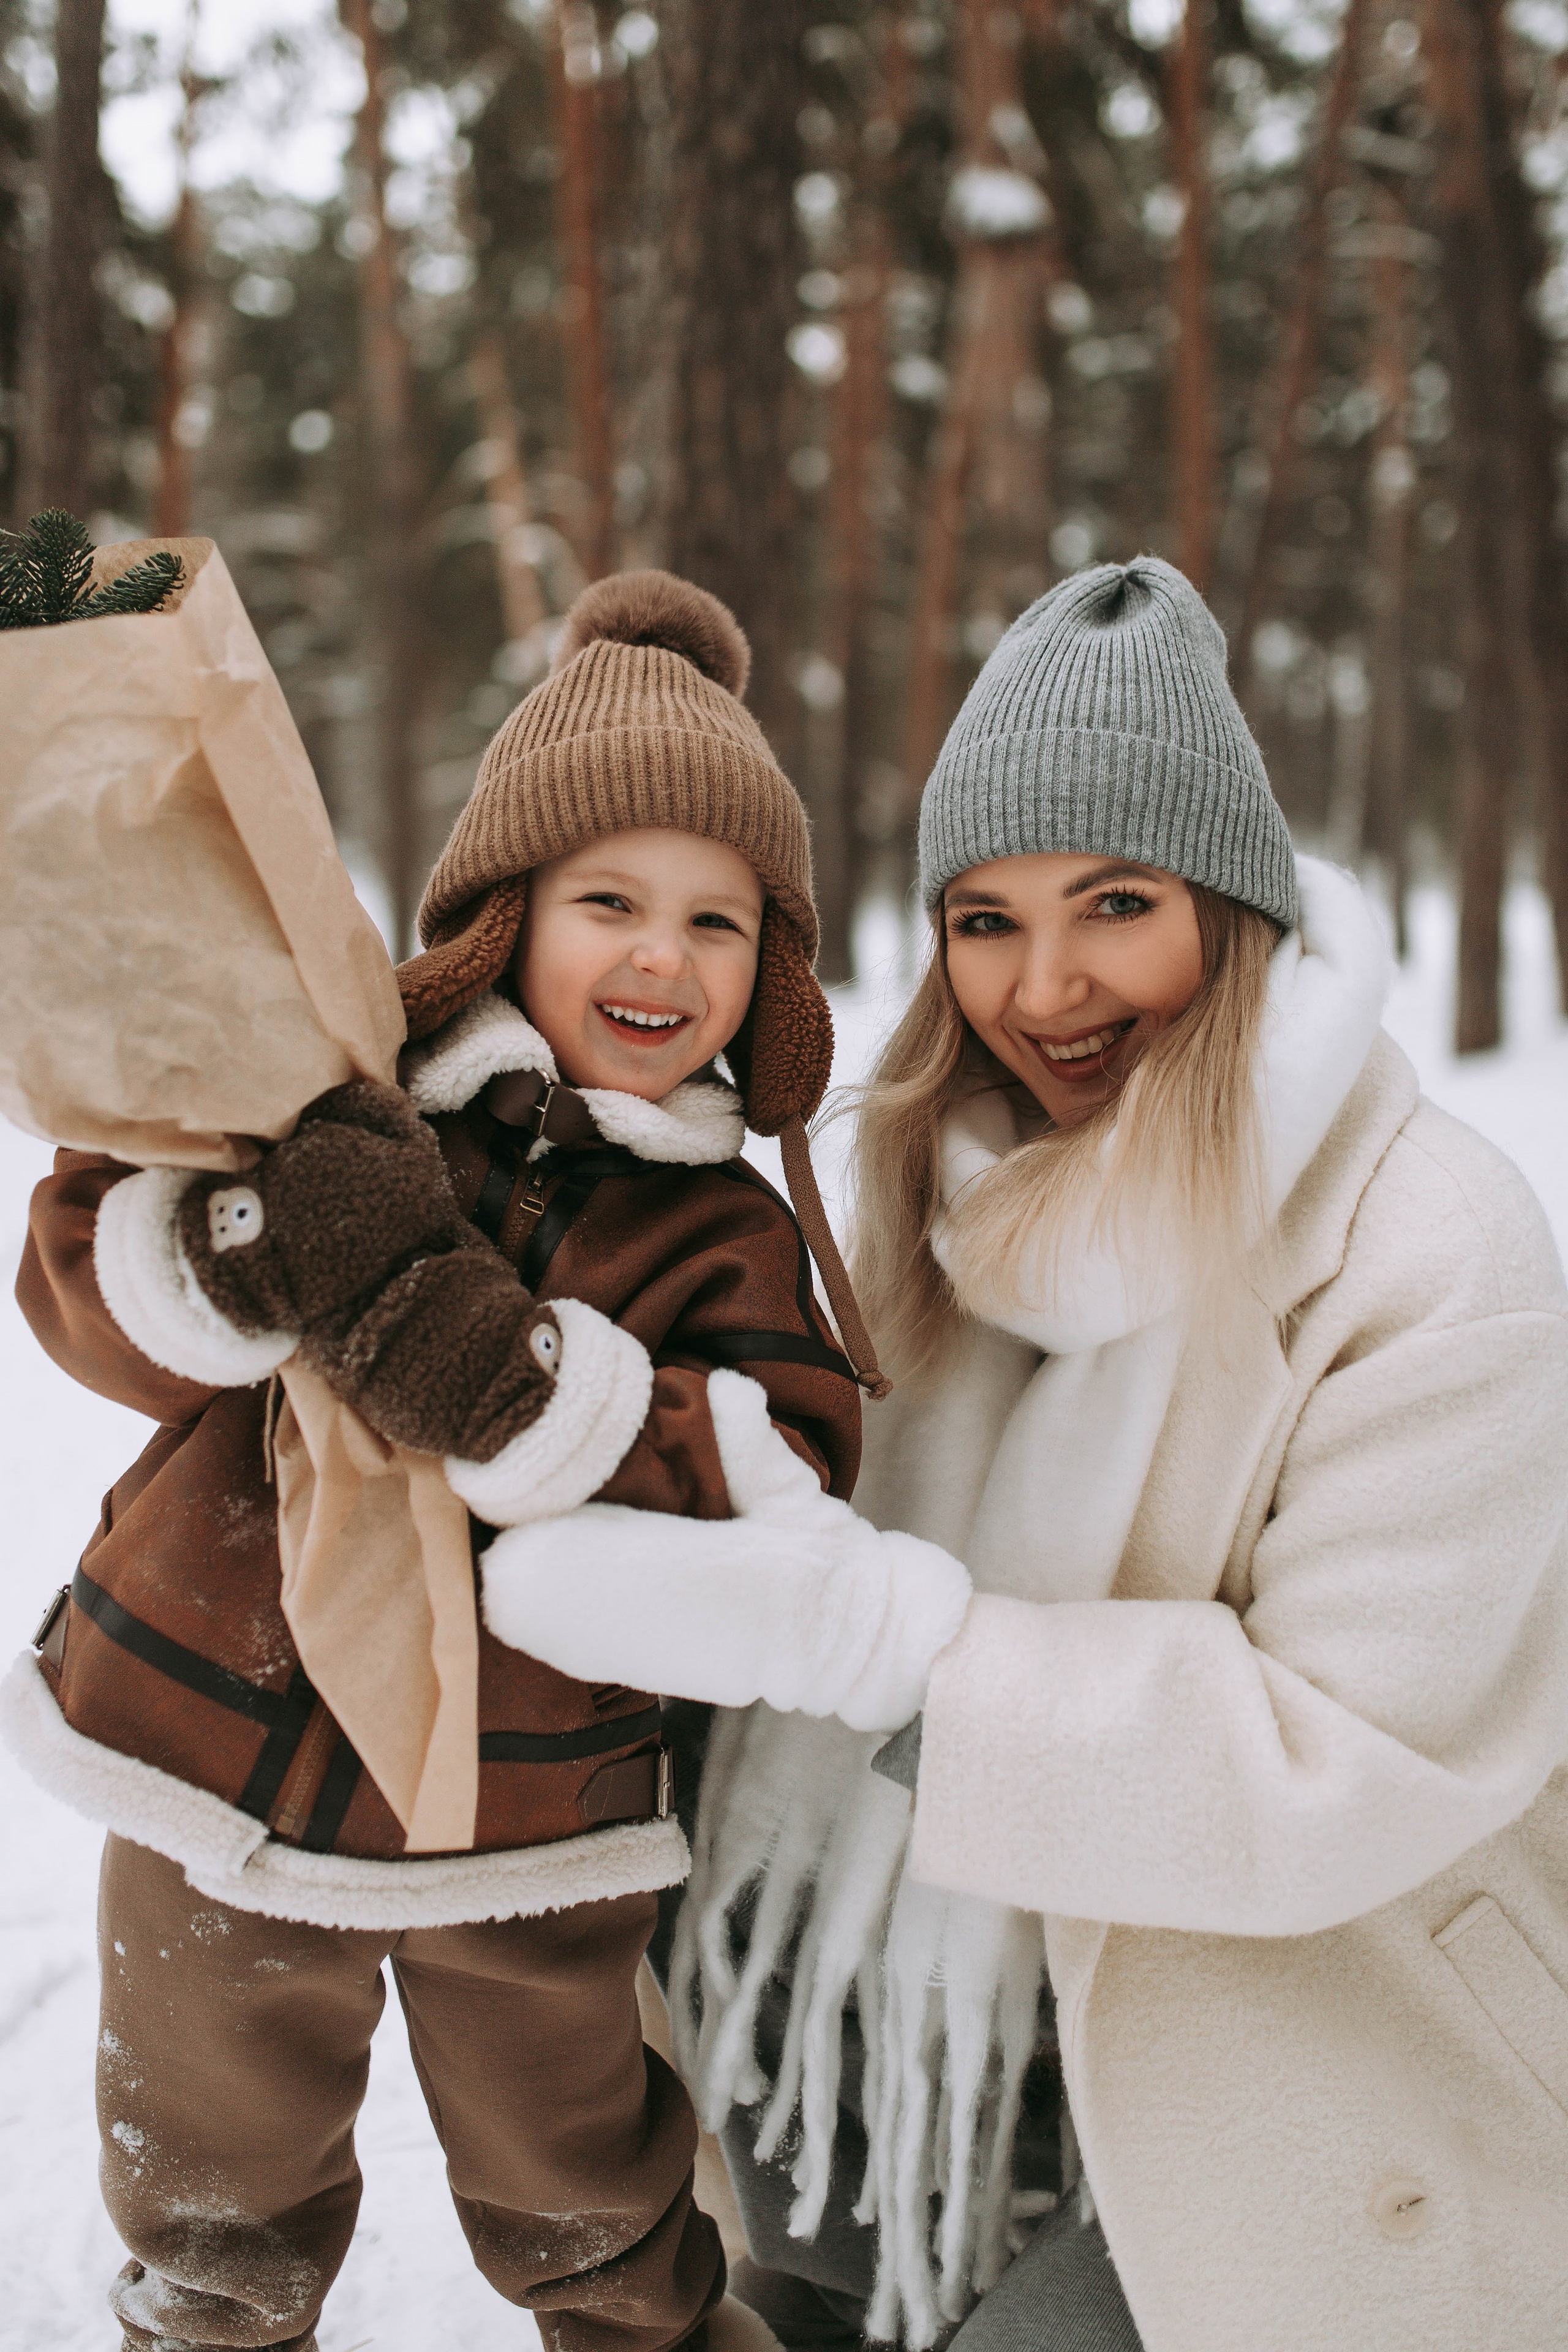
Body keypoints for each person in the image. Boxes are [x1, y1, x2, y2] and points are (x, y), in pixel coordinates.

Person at [481, 559, 1568, 2352]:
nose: (1045, 987)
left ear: (1233, 906)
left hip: (1305, 2046)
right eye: (985, 919)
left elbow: (1345, 1759)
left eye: (1115, 904)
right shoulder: (924, 1200)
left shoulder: (1433, 1250)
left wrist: (872, 1641)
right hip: (907, 2037)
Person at [2, 571, 872, 2352]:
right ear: (503, 914)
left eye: (716, 923)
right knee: (212, 2200)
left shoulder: (725, 1236)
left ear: (769, 975)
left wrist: (515, 1386)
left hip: (529, 1817)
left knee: (593, 2205)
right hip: (224, 1767)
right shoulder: (338, 1092)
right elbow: (85, 1270)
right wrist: (244, 1248)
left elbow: (779, 1473)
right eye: (610, 901)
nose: (660, 958)